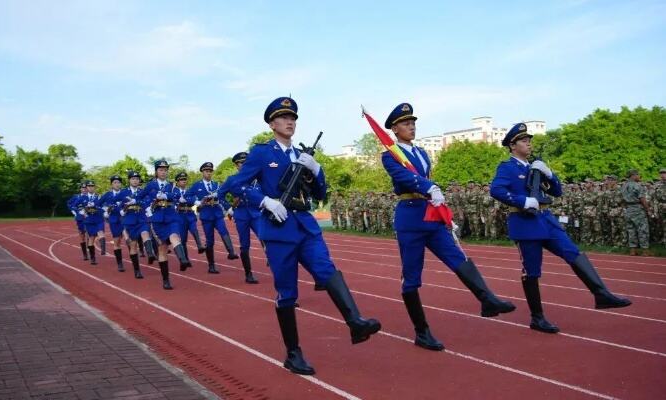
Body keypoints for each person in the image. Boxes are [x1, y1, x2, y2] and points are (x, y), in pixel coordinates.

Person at [224, 96, 381, 375]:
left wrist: (317, 170)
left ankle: (355, 322)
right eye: (284, 118)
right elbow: (234, 185)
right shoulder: (262, 153)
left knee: (327, 269)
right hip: (278, 228)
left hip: (306, 226)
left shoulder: (301, 155)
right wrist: (264, 201)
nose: (290, 122)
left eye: (293, 118)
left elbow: (320, 194)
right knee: (287, 292)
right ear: (272, 123)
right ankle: (293, 354)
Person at [381, 103, 515, 351]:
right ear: (395, 129)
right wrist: (428, 188)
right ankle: (422, 332)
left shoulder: (421, 152)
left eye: (413, 123)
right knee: (412, 276)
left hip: (430, 215)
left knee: (458, 256)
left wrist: (440, 208)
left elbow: (426, 179)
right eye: (406, 124)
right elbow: (402, 178)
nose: (411, 127)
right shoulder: (390, 154)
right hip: (410, 218)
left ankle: (487, 299)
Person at [490, 123, 631, 334]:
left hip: (546, 220)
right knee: (532, 270)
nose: (529, 144)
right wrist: (523, 201)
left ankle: (601, 294)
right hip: (525, 221)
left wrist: (549, 173)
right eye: (524, 141)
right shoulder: (507, 167)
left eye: (529, 141)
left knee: (573, 252)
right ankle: (537, 318)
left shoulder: (534, 167)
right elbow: (496, 190)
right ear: (512, 145)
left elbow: (557, 191)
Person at [139, 159, 192, 289]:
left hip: (170, 216)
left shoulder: (171, 185)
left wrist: (166, 196)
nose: (163, 172)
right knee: (162, 248)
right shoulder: (151, 185)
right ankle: (166, 280)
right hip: (157, 219)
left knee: (175, 236)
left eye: (165, 170)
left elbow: (175, 196)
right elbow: (139, 197)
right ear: (156, 171)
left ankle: (183, 260)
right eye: (161, 170)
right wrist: (147, 207)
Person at [188, 162, 238, 274]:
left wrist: (229, 208)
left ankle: (231, 252)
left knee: (224, 231)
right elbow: (187, 195)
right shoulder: (197, 185)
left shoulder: (216, 185)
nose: (208, 173)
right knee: (210, 240)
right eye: (206, 171)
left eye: (210, 171)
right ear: (202, 172)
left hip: (217, 213)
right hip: (206, 215)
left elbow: (222, 198)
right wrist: (196, 202)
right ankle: (211, 265)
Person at [218, 152, 261, 283]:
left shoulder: (259, 177)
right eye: (240, 163)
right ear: (237, 166)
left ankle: (272, 261)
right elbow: (220, 194)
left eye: (246, 162)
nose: (244, 165)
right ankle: (248, 274)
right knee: (245, 244)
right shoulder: (232, 180)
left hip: (257, 212)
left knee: (266, 237)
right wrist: (229, 208)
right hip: (241, 214)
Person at [116, 171, 158, 279]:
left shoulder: (143, 191)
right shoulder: (123, 192)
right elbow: (117, 204)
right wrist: (122, 209)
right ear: (129, 180)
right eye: (133, 179)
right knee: (133, 245)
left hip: (141, 218)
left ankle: (150, 254)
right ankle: (137, 270)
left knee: (145, 234)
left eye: (137, 179)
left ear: (139, 181)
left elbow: (148, 201)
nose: (135, 180)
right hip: (130, 221)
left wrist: (141, 204)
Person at [172, 172, 206, 270]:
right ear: (177, 182)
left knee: (194, 229)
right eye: (181, 180)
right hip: (180, 216)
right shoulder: (174, 191)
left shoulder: (190, 190)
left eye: (185, 180)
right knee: (183, 240)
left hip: (190, 214)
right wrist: (178, 202)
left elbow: (194, 199)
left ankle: (199, 246)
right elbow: (172, 201)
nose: (184, 182)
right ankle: (185, 260)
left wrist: (197, 203)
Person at [98, 175, 126, 272]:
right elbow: (98, 204)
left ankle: (134, 257)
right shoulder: (107, 195)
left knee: (129, 238)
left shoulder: (125, 193)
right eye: (115, 182)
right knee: (117, 241)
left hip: (125, 219)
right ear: (111, 184)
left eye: (118, 182)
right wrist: (104, 211)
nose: (117, 184)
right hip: (114, 220)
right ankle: (120, 263)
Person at [75, 180, 107, 265]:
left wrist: (101, 209)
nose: (90, 188)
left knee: (101, 232)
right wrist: (81, 211)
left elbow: (104, 206)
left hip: (98, 218)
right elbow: (76, 206)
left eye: (92, 186)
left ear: (94, 187)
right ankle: (93, 258)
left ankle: (103, 249)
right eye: (89, 186)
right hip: (88, 220)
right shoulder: (82, 198)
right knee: (91, 238)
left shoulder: (99, 197)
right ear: (87, 188)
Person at [621, 170, 651, 256]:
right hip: (637, 209)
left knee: (631, 230)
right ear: (633, 176)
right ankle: (645, 250)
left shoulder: (623, 186)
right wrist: (648, 209)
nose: (639, 176)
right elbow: (642, 199)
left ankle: (632, 250)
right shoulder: (637, 186)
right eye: (638, 175)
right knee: (642, 230)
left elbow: (622, 199)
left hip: (628, 209)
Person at [67, 182, 89, 260]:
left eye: (85, 188)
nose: (84, 189)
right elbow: (69, 204)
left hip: (89, 218)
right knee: (82, 235)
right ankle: (85, 254)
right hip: (80, 218)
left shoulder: (90, 196)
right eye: (83, 188)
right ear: (80, 189)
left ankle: (90, 248)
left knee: (90, 234)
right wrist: (73, 211)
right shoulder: (76, 197)